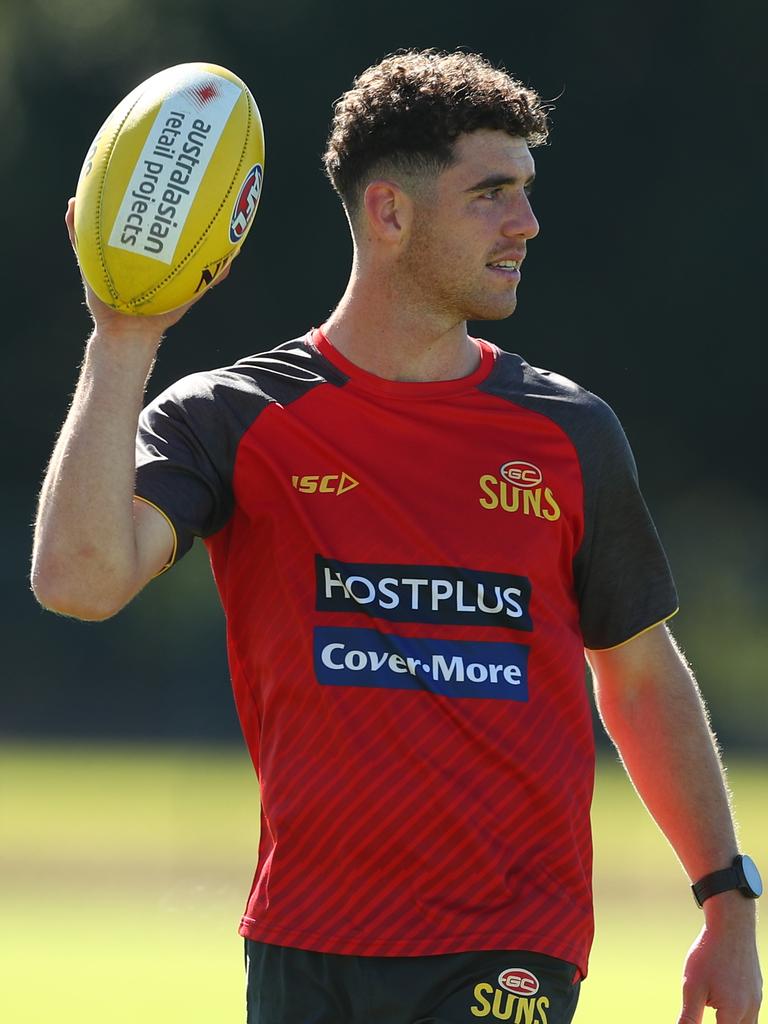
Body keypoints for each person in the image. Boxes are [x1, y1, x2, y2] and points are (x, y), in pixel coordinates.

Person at [32, 49, 761, 1024]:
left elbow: (636, 673)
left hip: (510, 941)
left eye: (527, 191)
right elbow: (78, 580)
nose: (526, 223)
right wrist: (124, 334)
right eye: (491, 193)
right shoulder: (234, 417)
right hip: (303, 942)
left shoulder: (569, 433)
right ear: (389, 213)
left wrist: (727, 900)